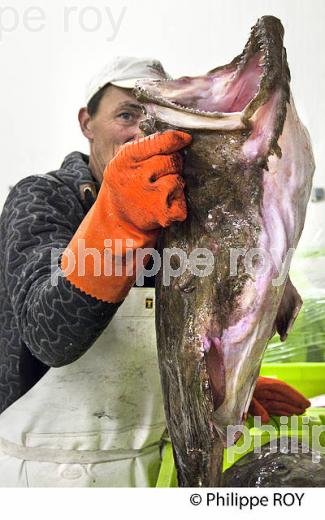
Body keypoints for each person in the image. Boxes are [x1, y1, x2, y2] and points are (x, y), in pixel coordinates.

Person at [0, 56, 310, 487]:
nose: (141, 129)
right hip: (40, 475)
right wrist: (118, 220)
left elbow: (185, 332)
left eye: (153, 116)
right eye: (126, 114)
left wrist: (217, 388)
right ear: (87, 122)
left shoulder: (176, 219)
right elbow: (48, 333)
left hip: (148, 469)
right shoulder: (42, 198)